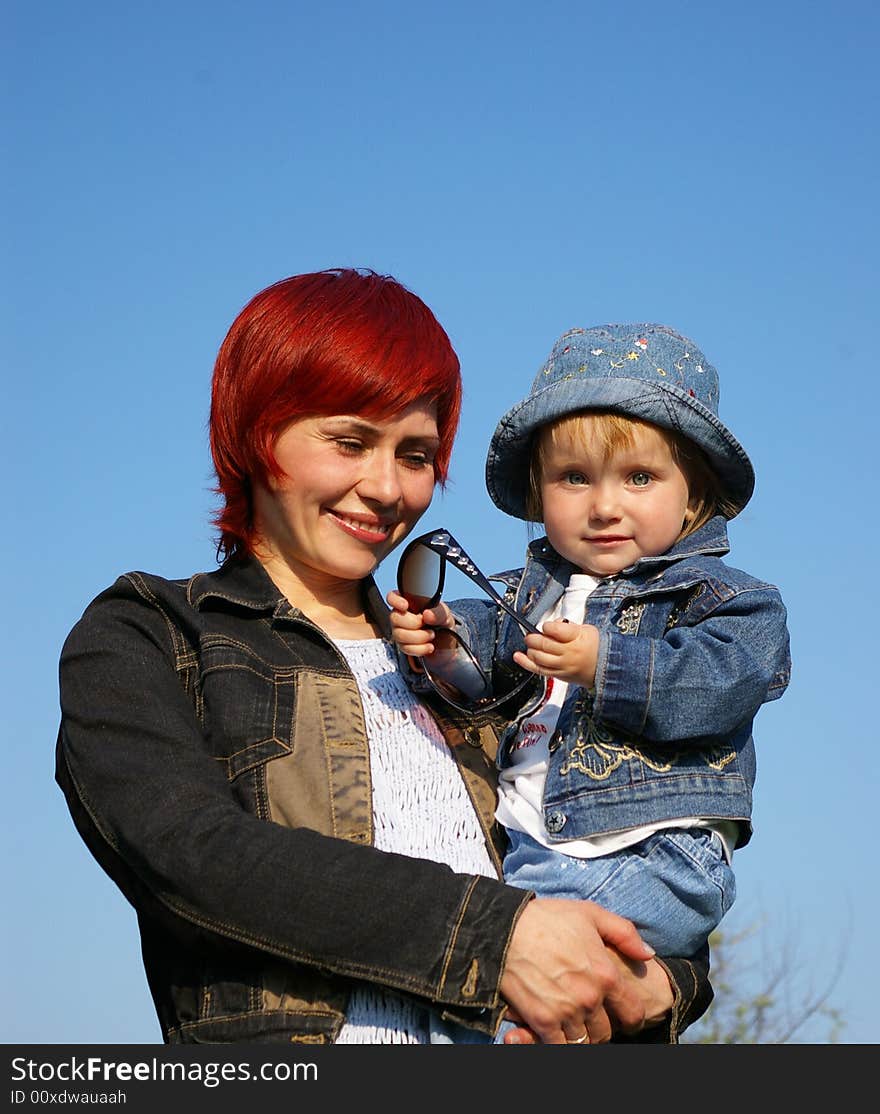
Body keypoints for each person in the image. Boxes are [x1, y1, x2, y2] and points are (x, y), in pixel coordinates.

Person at [56, 276, 713, 1046]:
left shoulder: (480, 657)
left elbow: (626, 845)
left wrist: (668, 986)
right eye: (349, 442)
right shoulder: (152, 633)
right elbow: (195, 858)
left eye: (417, 455)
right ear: (257, 432)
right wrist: (496, 938)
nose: (385, 488)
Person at [389, 322, 791, 968]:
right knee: (483, 936)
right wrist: (440, 644)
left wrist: (605, 665)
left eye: (638, 478)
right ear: (537, 492)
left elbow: (722, 684)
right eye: (574, 478)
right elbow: (484, 648)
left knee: (488, 942)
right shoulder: (524, 595)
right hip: (533, 846)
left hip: (656, 853)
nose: (604, 506)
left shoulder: (725, 599)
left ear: (693, 493)